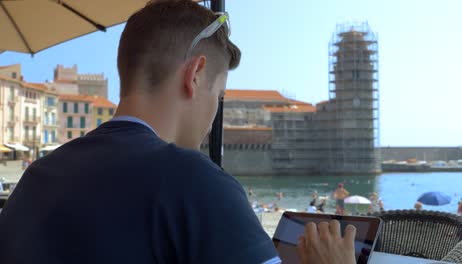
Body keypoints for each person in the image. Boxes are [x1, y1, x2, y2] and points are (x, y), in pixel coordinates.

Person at [0, 1, 356, 264]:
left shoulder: (36, 179)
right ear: (196, 74)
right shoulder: (196, 183)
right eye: (218, 96)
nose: (215, 111)